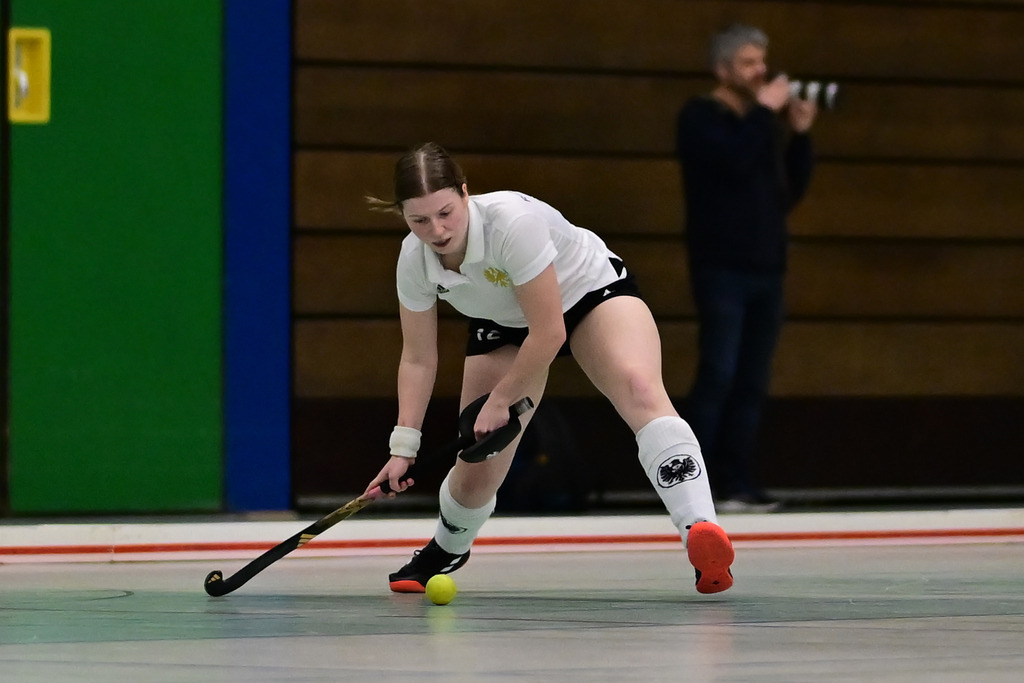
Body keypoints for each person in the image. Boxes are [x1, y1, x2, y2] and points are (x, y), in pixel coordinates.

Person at [364, 142, 735, 594]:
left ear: (464, 193)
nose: (437, 230)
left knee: (640, 388)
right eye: (419, 220)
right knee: (478, 467)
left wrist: (501, 400)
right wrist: (403, 448)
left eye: (445, 213)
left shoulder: (511, 224)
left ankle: (701, 533)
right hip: (504, 322)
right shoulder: (413, 260)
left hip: (588, 292)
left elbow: (549, 332)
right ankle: (446, 548)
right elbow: (418, 358)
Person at [675, 24, 818, 512]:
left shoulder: (761, 124)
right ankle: (693, 486)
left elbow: (786, 192)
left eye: (762, 61)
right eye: (749, 63)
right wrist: (765, 113)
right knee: (718, 373)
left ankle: (736, 482)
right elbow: (733, 162)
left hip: (767, 267)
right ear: (722, 69)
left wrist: (800, 136)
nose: (761, 71)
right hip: (721, 267)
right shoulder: (701, 117)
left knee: (752, 380)